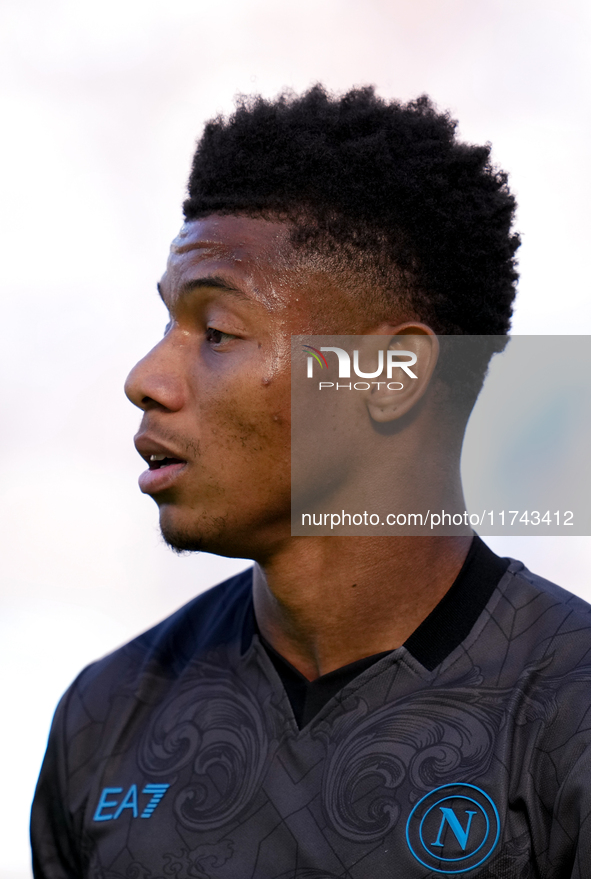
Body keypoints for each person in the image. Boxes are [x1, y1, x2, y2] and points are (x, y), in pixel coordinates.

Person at [31, 86, 591, 878]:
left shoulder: (567, 715)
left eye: (217, 332)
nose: (146, 378)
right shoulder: (107, 716)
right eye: (168, 325)